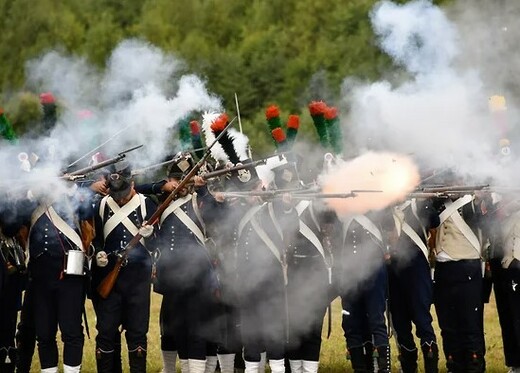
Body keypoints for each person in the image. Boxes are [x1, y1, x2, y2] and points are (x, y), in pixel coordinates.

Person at [152, 152, 222, 373]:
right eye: (176, 179)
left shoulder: (200, 200)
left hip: (198, 274)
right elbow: (139, 188)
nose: (181, 184)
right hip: (171, 274)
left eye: (185, 179)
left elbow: (216, 217)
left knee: (197, 327)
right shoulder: (162, 200)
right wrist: (162, 185)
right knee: (174, 327)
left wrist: (202, 188)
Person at [91, 161, 156, 373]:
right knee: (106, 332)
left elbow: (159, 243)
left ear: (133, 184)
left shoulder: (147, 204)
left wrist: (151, 235)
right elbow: (96, 239)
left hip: (138, 278)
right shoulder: (101, 205)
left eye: (124, 193)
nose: (120, 198)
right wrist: (98, 253)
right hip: (109, 276)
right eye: (116, 193)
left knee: (137, 333)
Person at [432, 191, 488, 373]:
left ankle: (474, 366)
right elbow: (429, 221)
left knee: (470, 323)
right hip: (442, 267)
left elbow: (483, 222)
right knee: (447, 325)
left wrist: (478, 197)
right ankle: (453, 365)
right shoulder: (437, 200)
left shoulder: (473, 201)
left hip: (467, 266)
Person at [338, 210, 395, 373]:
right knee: (350, 322)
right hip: (349, 270)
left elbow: (390, 228)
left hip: (374, 269)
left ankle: (383, 369)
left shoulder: (378, 205)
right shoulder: (342, 207)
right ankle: (360, 368)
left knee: (376, 319)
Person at [388, 198, 439, 372]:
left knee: (421, 318)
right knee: (400, 321)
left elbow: (434, 220)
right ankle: (408, 367)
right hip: (393, 269)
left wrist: (424, 200)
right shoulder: (387, 205)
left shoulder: (418, 203)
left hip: (416, 266)